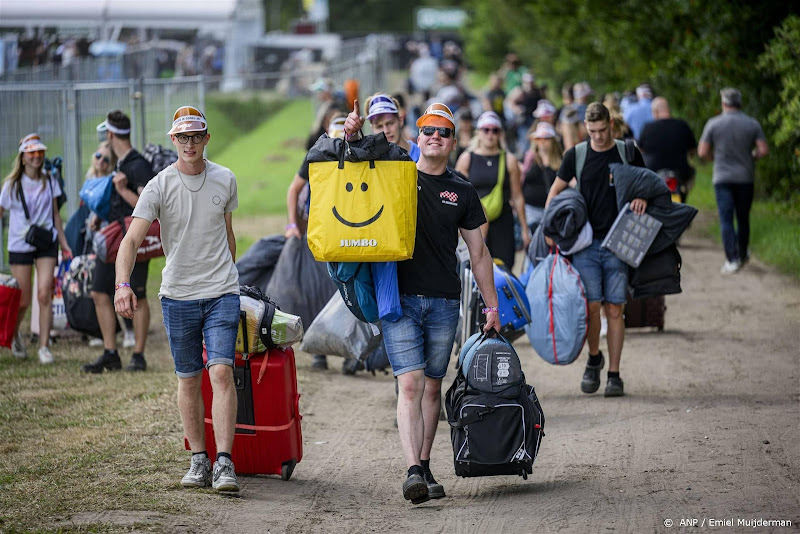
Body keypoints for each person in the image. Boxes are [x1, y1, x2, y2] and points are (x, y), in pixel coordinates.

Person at [344, 101, 501, 504]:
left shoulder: (462, 190)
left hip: (445, 301)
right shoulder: (396, 175)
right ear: (418, 135)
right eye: (428, 130)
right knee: (410, 383)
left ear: (453, 141)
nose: (435, 136)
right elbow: (359, 162)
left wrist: (493, 306)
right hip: (399, 300)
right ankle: (413, 469)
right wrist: (352, 133)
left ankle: (426, 464)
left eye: (443, 132)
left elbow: (479, 254)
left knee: (433, 387)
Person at [114, 105, 241, 493]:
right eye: (182, 137)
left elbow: (228, 233)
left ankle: (224, 464)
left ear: (206, 138)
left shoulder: (225, 179)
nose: (190, 143)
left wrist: (228, 276)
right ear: (174, 141)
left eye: (196, 136)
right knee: (188, 378)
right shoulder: (159, 185)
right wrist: (122, 284)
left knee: (220, 371)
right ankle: (198, 460)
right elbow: (131, 240)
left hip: (221, 291)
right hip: (178, 296)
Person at [545, 102, 648, 398]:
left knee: (615, 307)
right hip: (585, 244)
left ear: (611, 126)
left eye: (603, 130)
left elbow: (649, 185)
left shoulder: (628, 152)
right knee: (591, 306)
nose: (599, 136)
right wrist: (551, 230)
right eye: (592, 132)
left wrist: (642, 198)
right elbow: (554, 191)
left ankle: (614, 374)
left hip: (619, 243)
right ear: (585, 130)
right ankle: (593, 359)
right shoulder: (576, 155)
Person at [81, 110, 154, 373]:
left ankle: (138, 355)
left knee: (140, 295)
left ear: (110, 134)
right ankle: (110, 352)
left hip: (134, 241)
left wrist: (123, 190)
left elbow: (148, 208)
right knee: (100, 292)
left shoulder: (139, 165)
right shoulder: (120, 163)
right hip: (112, 241)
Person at [0, 133, 71, 364]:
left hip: (46, 242)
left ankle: (43, 345)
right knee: (22, 299)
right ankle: (14, 335)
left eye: (40, 152)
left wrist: (64, 243)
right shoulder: (11, 185)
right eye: (32, 153)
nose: (37, 157)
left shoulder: (50, 180)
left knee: (44, 294)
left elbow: (55, 215)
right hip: (20, 244)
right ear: (23, 158)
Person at [285, 114, 347, 371]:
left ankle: (349, 352)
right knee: (317, 290)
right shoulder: (316, 155)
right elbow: (294, 189)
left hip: (349, 235)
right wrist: (292, 224)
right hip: (319, 231)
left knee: (346, 292)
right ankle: (318, 350)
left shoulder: (360, 156)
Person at [697, 88, 768, 275]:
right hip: (745, 177)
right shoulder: (752, 124)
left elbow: (702, 152)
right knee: (743, 218)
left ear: (723, 103)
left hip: (722, 177)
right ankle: (743, 253)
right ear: (740, 103)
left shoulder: (714, 124)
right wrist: (751, 156)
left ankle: (731, 259)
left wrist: (715, 158)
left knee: (726, 218)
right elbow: (763, 150)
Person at [455, 111, 530, 269]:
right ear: (478, 132)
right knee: (475, 267)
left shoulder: (509, 160)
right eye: (486, 130)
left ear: (500, 134)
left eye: (494, 130)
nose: (490, 134)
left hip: (502, 220)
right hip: (475, 222)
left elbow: (517, 196)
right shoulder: (467, 158)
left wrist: (524, 229)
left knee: (504, 267)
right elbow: (458, 196)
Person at [83, 142, 136, 349]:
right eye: (98, 156)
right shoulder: (90, 180)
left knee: (119, 288)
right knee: (99, 291)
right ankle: (108, 343)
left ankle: (128, 331)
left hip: (115, 240)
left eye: (106, 159)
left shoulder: (114, 180)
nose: (101, 162)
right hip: (98, 240)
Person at [638, 97, 697, 201]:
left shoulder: (648, 128)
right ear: (668, 110)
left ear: (655, 112)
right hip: (681, 174)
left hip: (654, 174)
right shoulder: (682, 125)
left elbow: (641, 150)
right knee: (692, 172)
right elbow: (692, 150)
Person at [521, 122, 561, 234]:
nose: (542, 142)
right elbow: (523, 178)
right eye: (539, 138)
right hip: (531, 209)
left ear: (553, 140)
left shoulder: (559, 161)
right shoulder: (531, 158)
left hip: (551, 209)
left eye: (546, 138)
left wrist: (546, 159)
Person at [364, 93, 420, 162]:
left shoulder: (422, 156)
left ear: (401, 120)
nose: (386, 131)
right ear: (372, 129)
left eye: (390, 123)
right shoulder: (372, 163)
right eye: (379, 127)